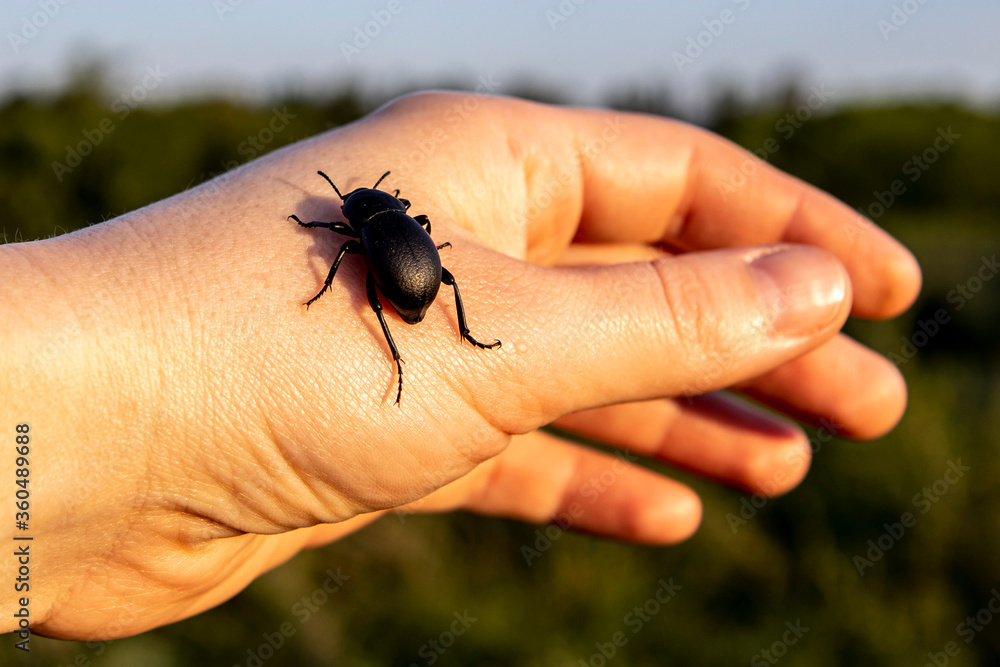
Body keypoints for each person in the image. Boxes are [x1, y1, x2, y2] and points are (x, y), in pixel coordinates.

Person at [0, 92, 920, 640]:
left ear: (369, 210)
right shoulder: (373, 226)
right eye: (355, 209)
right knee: (404, 296)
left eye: (356, 208)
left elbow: (349, 242)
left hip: (412, 280)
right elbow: (373, 248)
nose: (352, 213)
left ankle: (440, 347)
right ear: (370, 213)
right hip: (420, 281)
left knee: (384, 294)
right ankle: (451, 343)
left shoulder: (358, 229)